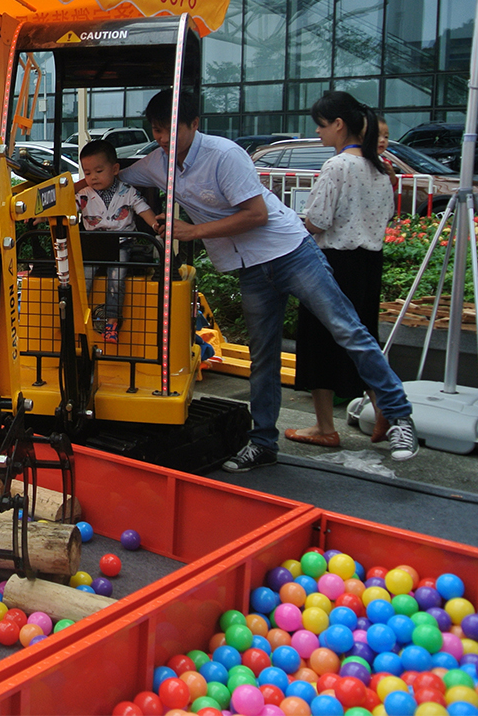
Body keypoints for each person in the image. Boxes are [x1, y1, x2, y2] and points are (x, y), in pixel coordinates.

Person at [118, 89, 418, 470]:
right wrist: (65, 183)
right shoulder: (159, 162)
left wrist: (192, 231)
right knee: (264, 358)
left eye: (169, 130)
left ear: (194, 124)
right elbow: (113, 173)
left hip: (291, 252)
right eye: (156, 130)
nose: (162, 139)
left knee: (348, 329)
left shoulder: (224, 155)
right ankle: (263, 443)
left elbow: (256, 215)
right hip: (250, 267)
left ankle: (399, 416)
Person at [285, 92, 395, 449]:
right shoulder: (379, 167)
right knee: (361, 338)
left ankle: (324, 427)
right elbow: (387, 217)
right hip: (368, 263)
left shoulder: (337, 166)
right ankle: (383, 405)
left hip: (332, 264)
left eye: (320, 125)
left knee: (319, 342)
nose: (318, 133)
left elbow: (317, 221)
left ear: (338, 124)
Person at [77, 139, 158, 343]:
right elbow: (65, 209)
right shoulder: (83, 195)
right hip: (94, 243)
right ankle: (78, 321)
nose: (93, 177)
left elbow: (143, 209)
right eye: (87, 173)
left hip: (121, 242)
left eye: (98, 171)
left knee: (116, 279)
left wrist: (156, 225)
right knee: (83, 278)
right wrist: (42, 216)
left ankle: (111, 322)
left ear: (114, 169)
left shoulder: (127, 191)